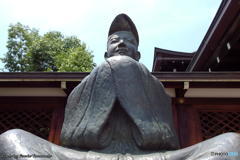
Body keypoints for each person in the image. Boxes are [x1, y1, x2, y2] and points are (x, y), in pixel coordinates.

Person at [0, 14, 240, 160]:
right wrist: (109, 73)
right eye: (115, 41)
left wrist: (128, 75)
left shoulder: (154, 86)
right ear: (106, 52)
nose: (122, 43)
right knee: (13, 141)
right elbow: (72, 139)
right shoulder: (84, 87)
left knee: (230, 146)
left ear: (138, 53)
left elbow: (164, 140)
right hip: (82, 157)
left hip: (156, 157)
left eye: (130, 41)